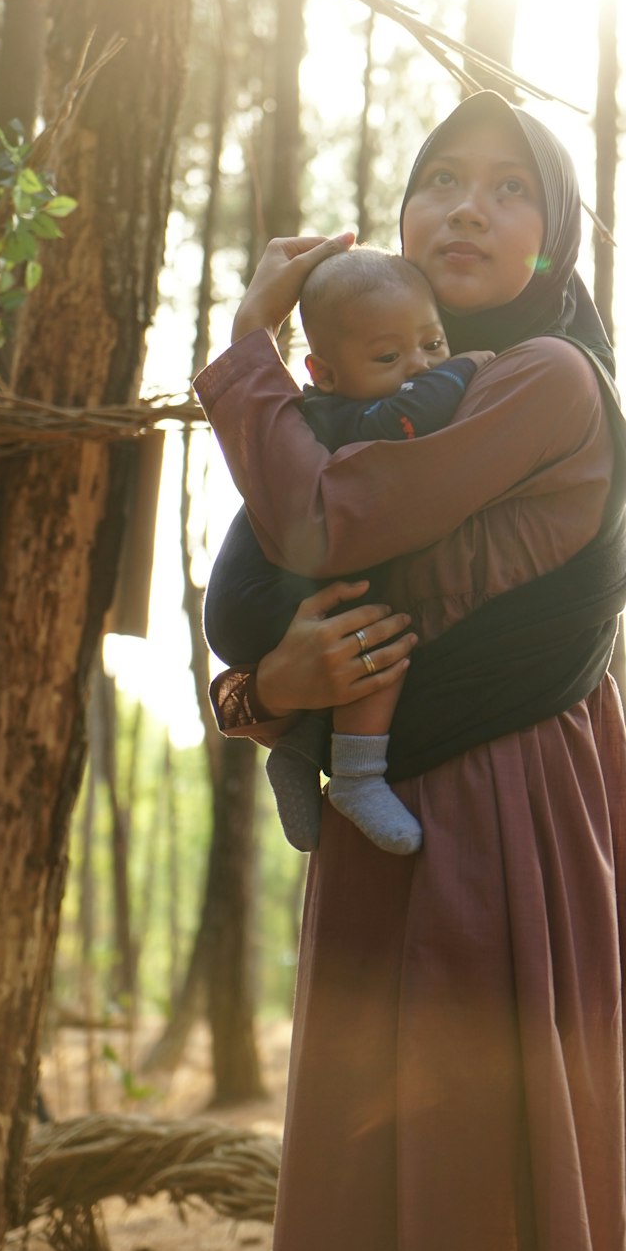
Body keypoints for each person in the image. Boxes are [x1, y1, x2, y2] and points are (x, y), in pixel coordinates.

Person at [195, 90, 626, 1251]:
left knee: (477, 1166)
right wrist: (267, 690)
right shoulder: (346, 410)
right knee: (363, 1170)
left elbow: (326, 525)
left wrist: (246, 352)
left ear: (551, 242)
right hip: (367, 810)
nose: (469, 204)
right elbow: (267, 603)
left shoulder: (546, 379)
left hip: (507, 812)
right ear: (396, 219)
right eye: (444, 177)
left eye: (512, 188)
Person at [203, 246, 490, 856]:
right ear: (325, 373)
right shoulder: (341, 416)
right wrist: (465, 367)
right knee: (384, 623)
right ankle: (358, 776)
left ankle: (299, 752)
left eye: (432, 344)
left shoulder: (349, 405)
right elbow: (412, 417)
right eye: (388, 356)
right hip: (254, 599)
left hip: (266, 592)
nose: (417, 367)